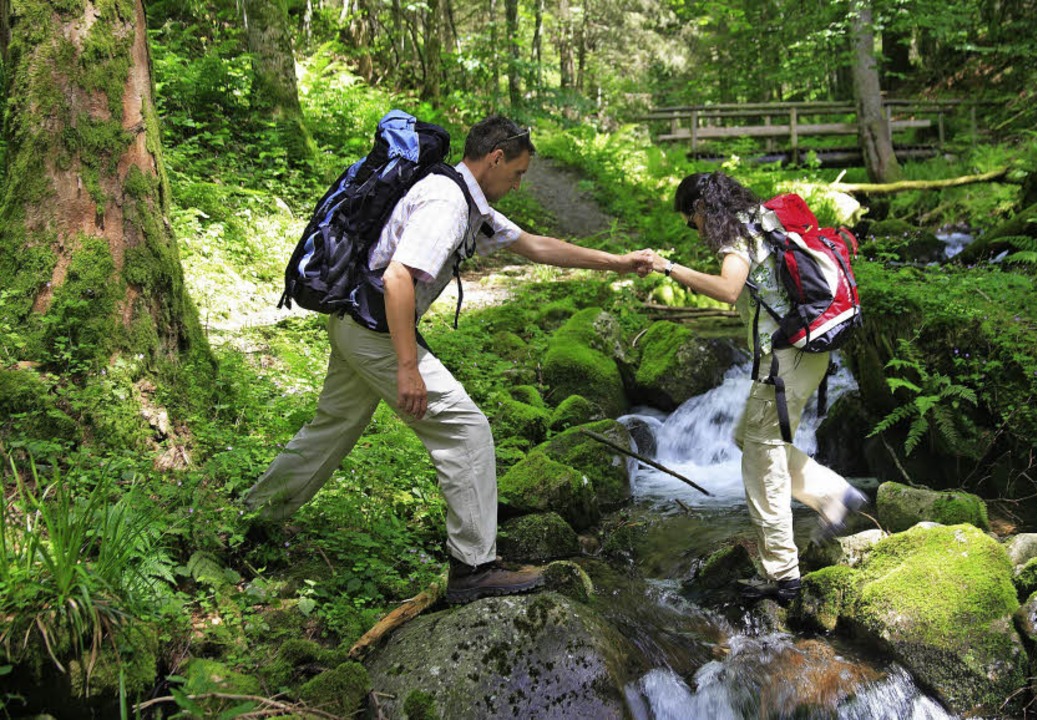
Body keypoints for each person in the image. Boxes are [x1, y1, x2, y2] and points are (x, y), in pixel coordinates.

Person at [242, 115, 656, 604]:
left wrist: (619, 261)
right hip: (375, 331)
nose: (518, 185)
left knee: (330, 427)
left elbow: (537, 246)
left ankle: (250, 519)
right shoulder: (447, 204)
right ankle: (474, 567)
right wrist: (406, 366)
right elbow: (398, 278)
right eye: (518, 174)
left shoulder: (466, 199)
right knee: (466, 429)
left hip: (357, 323)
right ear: (495, 157)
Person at [654, 171, 865, 603]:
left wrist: (670, 268)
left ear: (700, 209)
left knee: (760, 460)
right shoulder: (764, 221)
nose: (693, 230)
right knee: (747, 439)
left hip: (788, 358)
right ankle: (833, 494)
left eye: (689, 219)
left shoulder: (737, 237)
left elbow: (728, 289)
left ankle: (784, 575)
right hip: (806, 353)